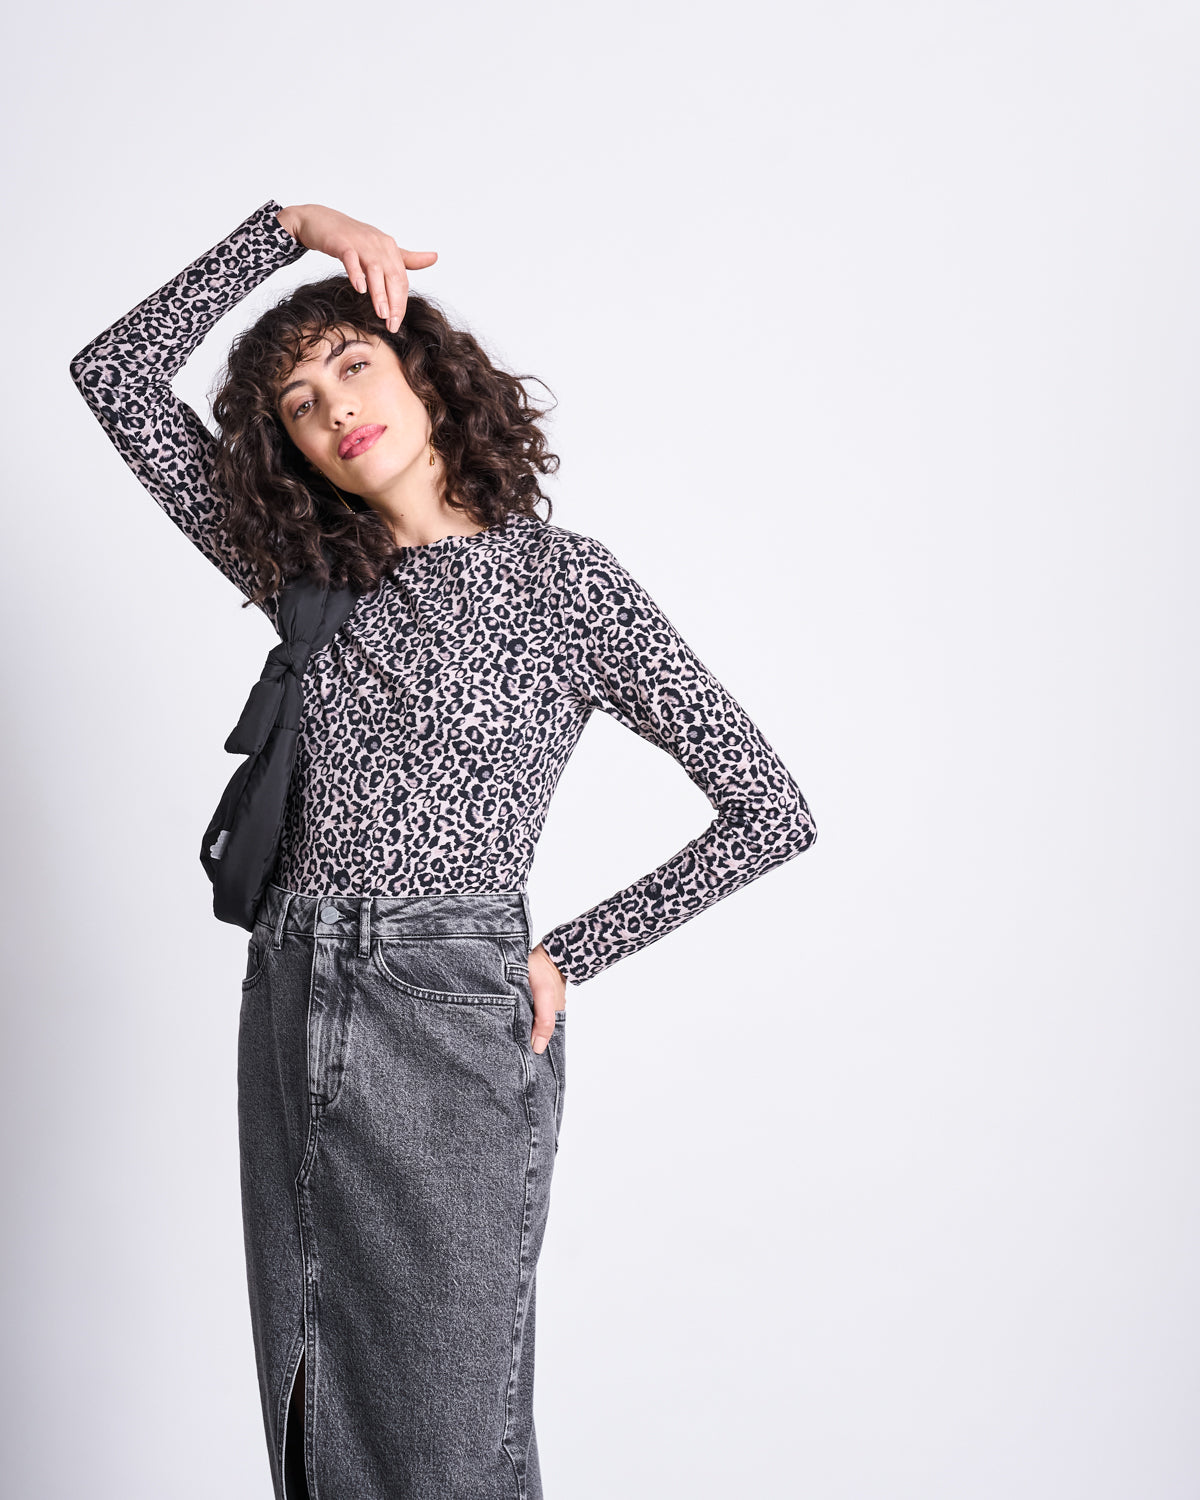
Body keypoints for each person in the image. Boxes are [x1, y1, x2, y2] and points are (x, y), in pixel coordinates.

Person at [68, 198, 818, 1500]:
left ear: (423, 368)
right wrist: (286, 226)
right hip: (294, 990)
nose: (333, 408)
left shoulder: (565, 584)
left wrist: (569, 950)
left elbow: (766, 802)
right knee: (315, 1425)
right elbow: (116, 378)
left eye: (352, 363)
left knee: (445, 1443)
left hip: (447, 1012)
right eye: (299, 401)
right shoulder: (304, 563)